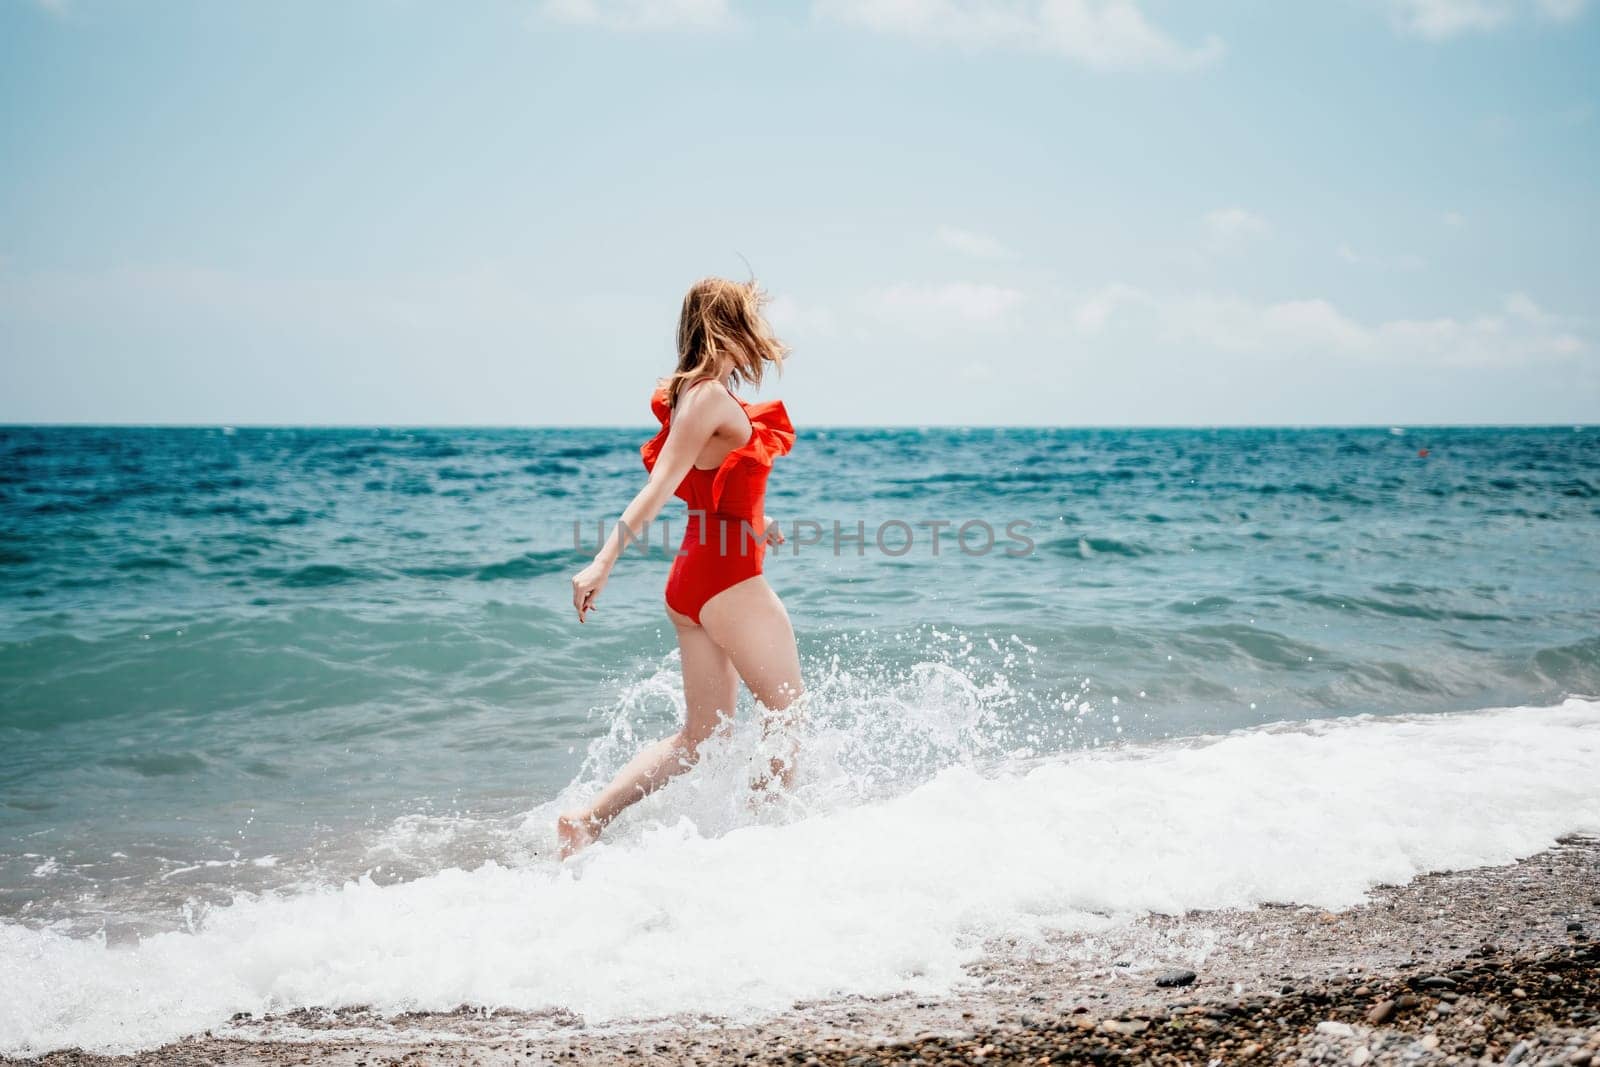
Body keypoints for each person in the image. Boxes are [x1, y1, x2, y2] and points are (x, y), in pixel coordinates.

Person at [559, 277, 805, 858]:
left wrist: (758, 521)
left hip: (695, 581)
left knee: (698, 737)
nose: (760, 338)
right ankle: (765, 846)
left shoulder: (690, 394)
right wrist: (602, 561)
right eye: (751, 322)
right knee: (789, 717)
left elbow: (715, 485)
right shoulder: (710, 399)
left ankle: (587, 820)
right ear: (730, 326)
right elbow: (659, 485)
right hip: (728, 582)